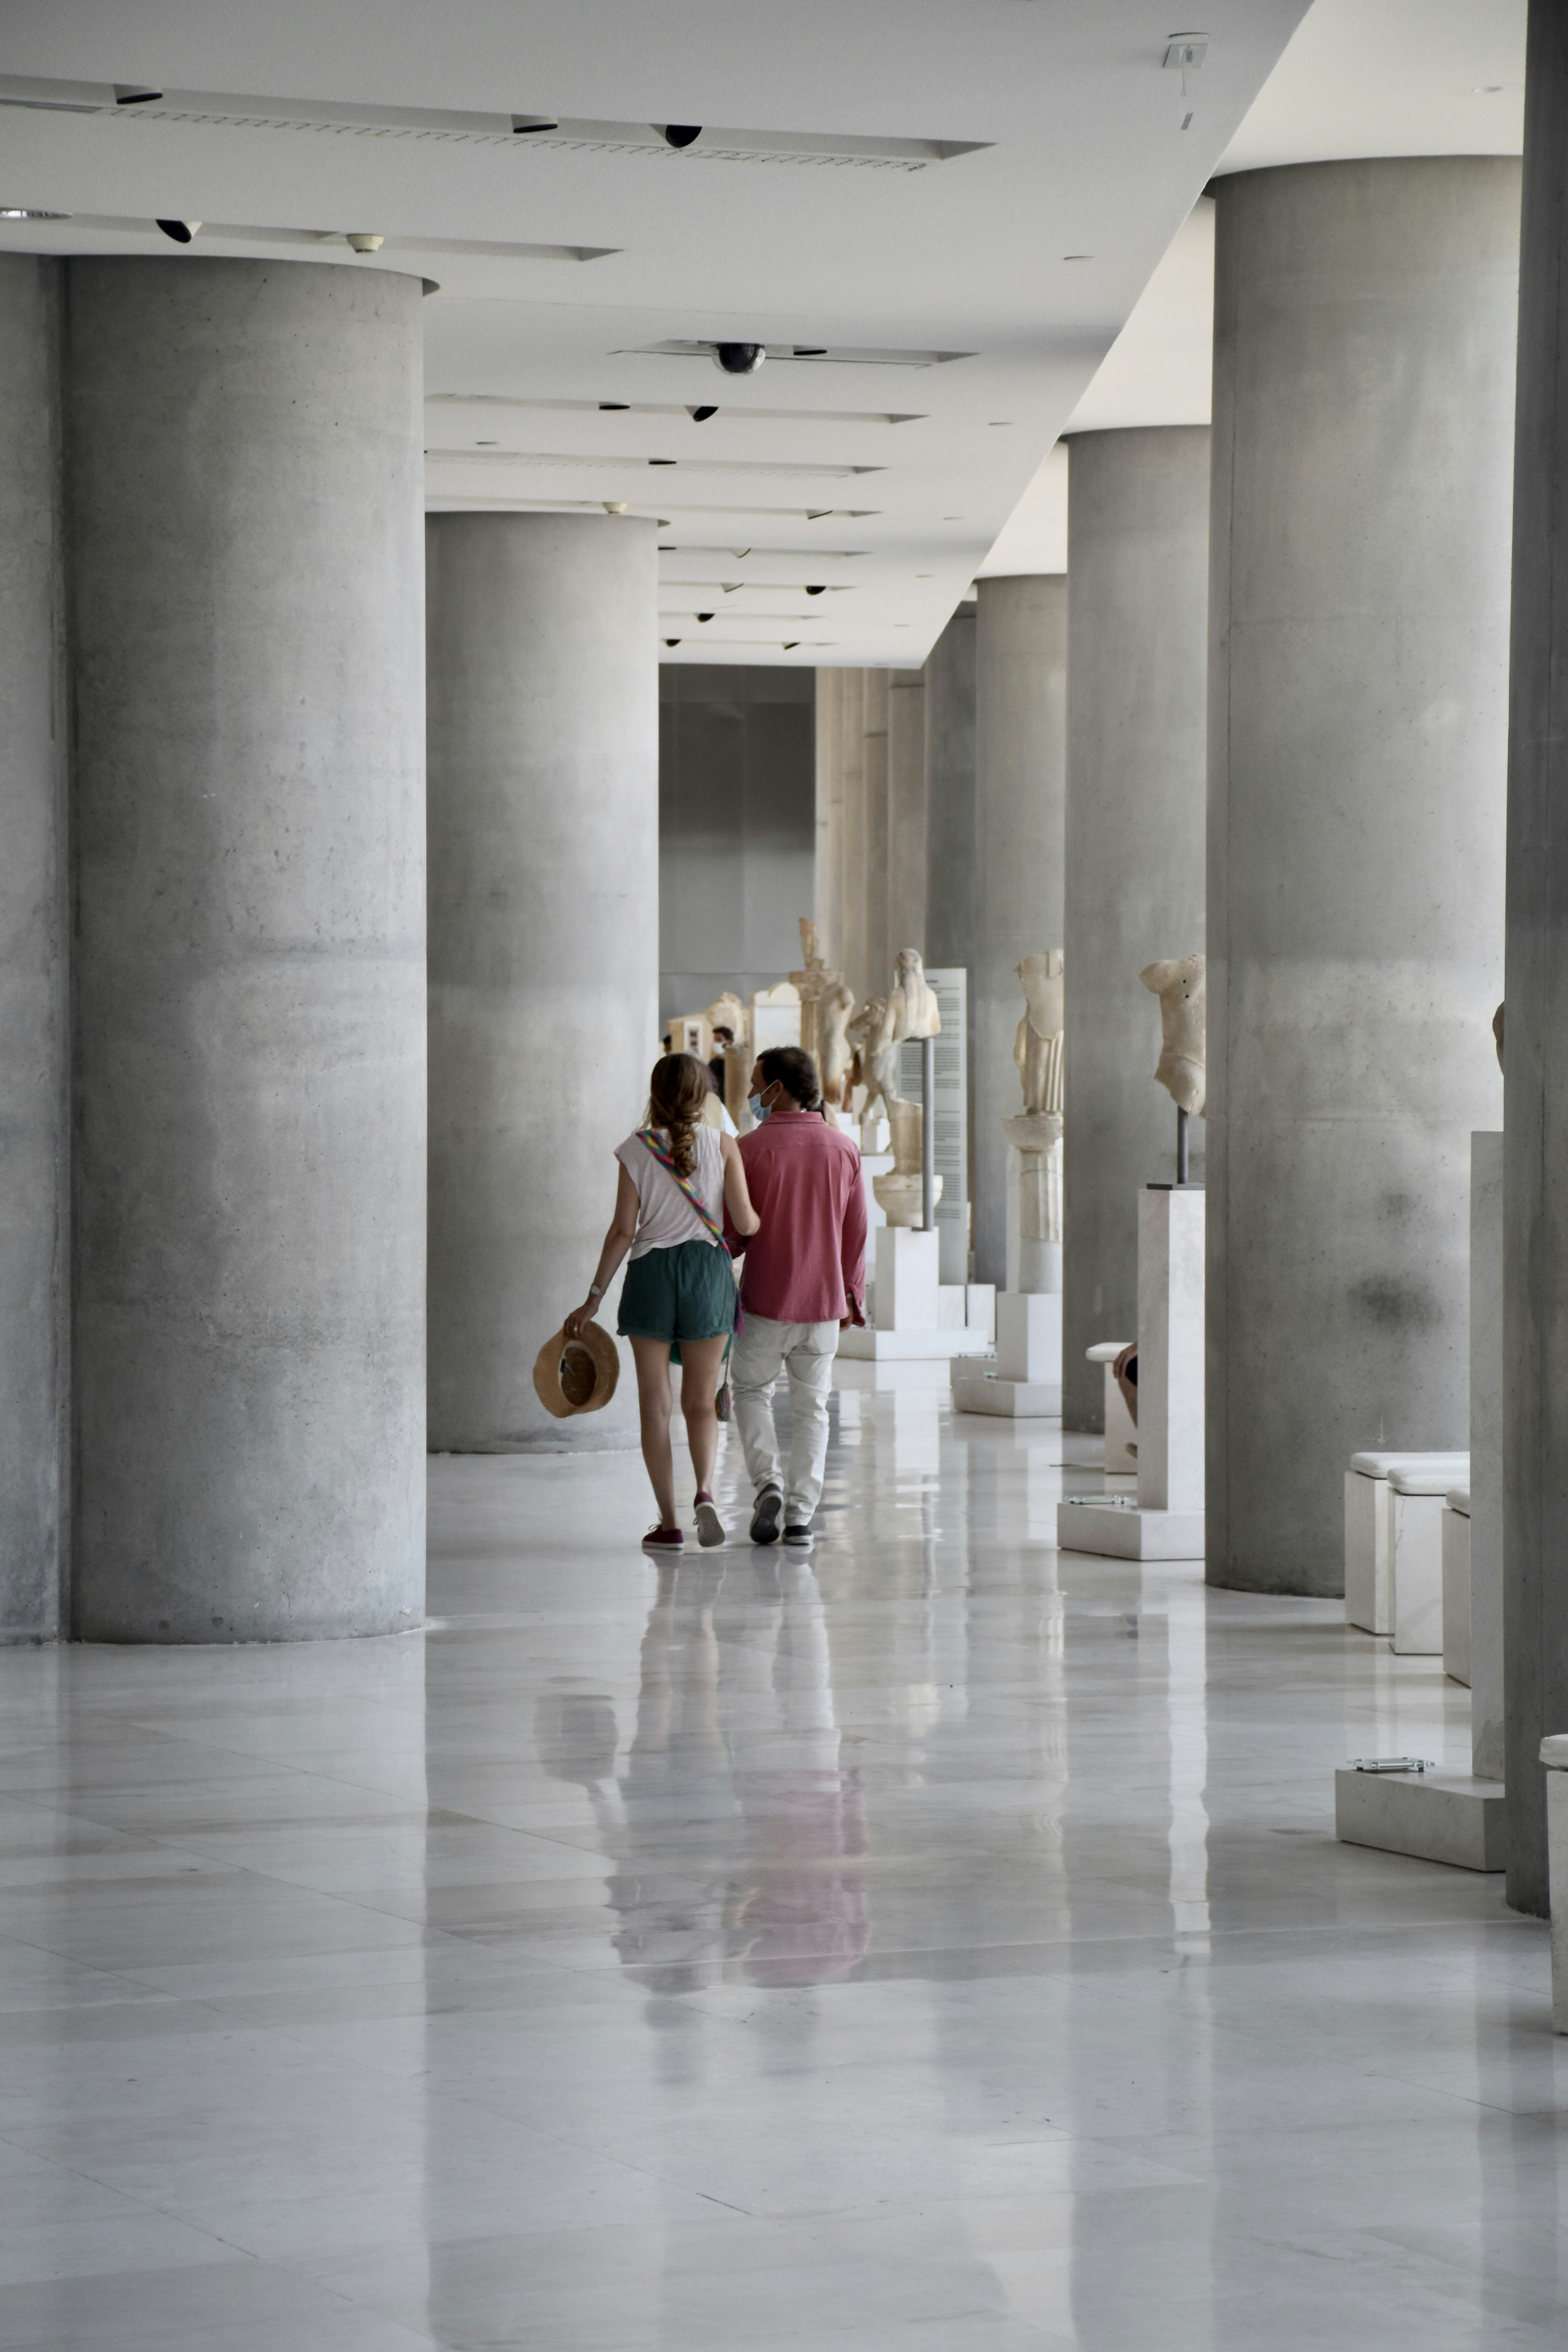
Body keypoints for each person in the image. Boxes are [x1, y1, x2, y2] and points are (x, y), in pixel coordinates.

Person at [567, 1053, 759, 1553]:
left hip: (651, 1276)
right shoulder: (724, 1145)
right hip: (708, 1274)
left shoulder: (636, 1150)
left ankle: (669, 1523)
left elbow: (622, 1231)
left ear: (656, 1093)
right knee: (700, 1403)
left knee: (656, 1407)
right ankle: (705, 1492)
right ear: (703, 1095)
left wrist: (592, 1299)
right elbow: (747, 1221)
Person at [726, 1044, 867, 1549]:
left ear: (776, 1089)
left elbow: (734, 1233)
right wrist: (852, 1296)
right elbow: (856, 1233)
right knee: (814, 1410)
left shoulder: (748, 1150)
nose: (750, 1096)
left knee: (750, 1392)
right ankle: (802, 1518)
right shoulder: (845, 1149)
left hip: (766, 1300)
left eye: (755, 1085)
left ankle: (769, 1484)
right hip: (824, 1305)